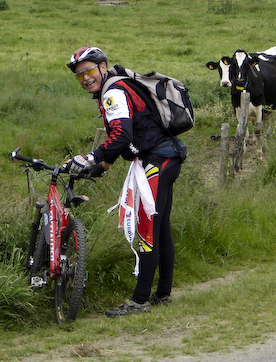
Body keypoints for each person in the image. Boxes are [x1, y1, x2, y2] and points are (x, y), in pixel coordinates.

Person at [65, 46, 186, 317]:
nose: (85, 78)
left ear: (103, 67)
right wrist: (104, 163)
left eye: (89, 71)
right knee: (161, 229)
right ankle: (163, 294)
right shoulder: (119, 84)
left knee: (147, 231)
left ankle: (140, 300)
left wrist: (91, 157)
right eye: (79, 76)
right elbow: (133, 132)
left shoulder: (112, 93)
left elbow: (120, 136)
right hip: (167, 158)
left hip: (156, 162)